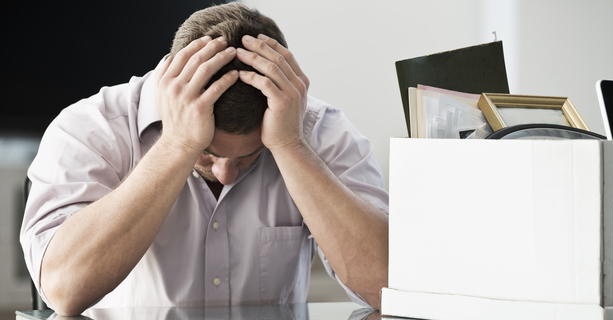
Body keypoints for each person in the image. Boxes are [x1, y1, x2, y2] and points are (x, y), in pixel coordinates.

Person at [20, 2, 389, 316]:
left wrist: (290, 145)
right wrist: (176, 146)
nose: (226, 173)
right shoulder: (91, 128)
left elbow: (386, 287)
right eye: (208, 154)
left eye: (249, 158)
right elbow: (63, 291)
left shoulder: (320, 132)